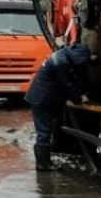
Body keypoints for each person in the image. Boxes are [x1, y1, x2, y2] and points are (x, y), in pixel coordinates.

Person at [25, 43, 91, 171]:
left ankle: (44, 162)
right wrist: (79, 98)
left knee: (44, 130)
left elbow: (70, 80)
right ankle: (43, 164)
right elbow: (66, 84)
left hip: (41, 97)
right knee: (44, 131)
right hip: (41, 99)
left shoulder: (62, 57)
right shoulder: (60, 63)